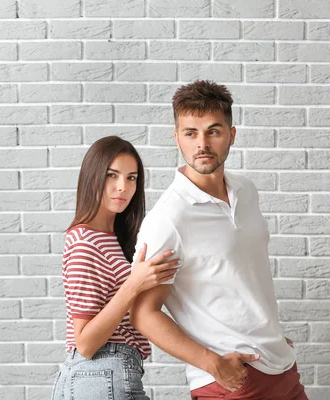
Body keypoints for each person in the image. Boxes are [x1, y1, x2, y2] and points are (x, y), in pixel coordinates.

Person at [130, 81, 307, 400]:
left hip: (281, 368)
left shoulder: (246, 191)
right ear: (177, 138)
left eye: (213, 131)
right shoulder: (170, 218)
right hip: (232, 383)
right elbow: (144, 314)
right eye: (190, 133)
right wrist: (212, 363)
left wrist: (273, 340)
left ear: (232, 134)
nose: (202, 143)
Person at [51, 136, 180, 400]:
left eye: (131, 178)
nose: (123, 187)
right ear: (93, 177)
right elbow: (85, 343)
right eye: (112, 175)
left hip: (107, 375)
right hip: (100, 372)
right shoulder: (84, 241)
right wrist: (134, 284)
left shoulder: (112, 239)